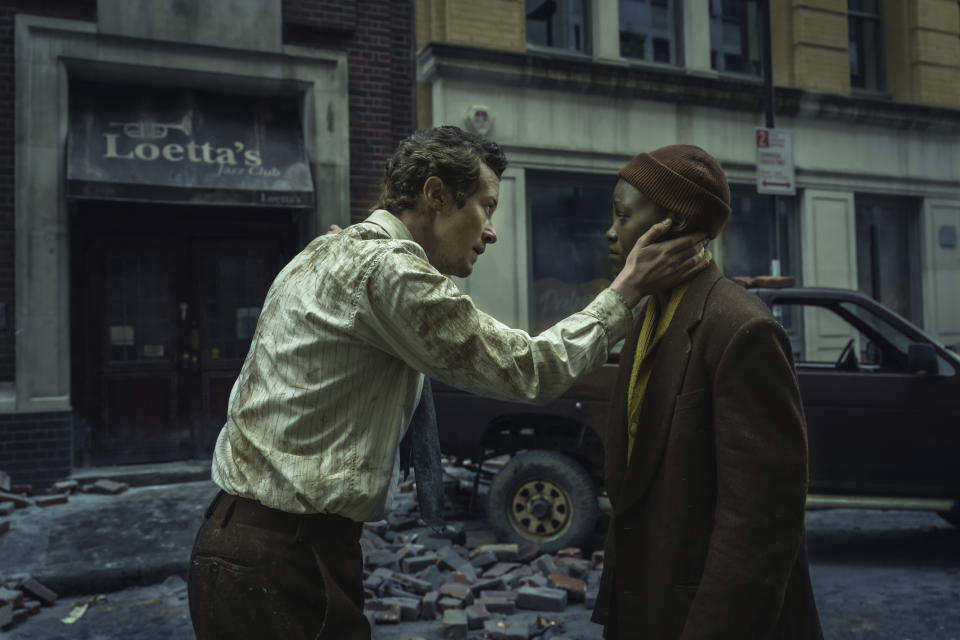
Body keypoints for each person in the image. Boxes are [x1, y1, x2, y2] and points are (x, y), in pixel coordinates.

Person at [186, 126, 709, 639]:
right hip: (283, 556)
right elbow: (528, 369)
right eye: (485, 206)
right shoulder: (387, 271)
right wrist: (628, 289)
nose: (491, 230)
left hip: (252, 545)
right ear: (435, 194)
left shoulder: (325, 255)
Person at [592, 144, 824, 639]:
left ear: (670, 225)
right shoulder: (648, 312)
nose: (611, 232)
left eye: (622, 215)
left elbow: (760, 525)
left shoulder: (740, 328)